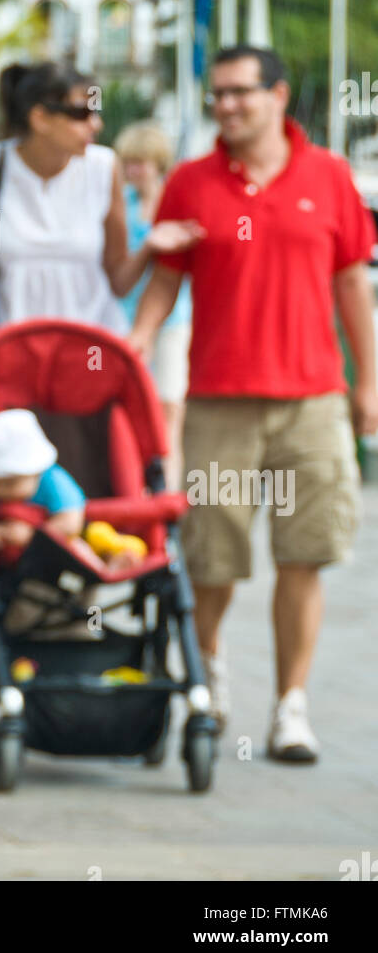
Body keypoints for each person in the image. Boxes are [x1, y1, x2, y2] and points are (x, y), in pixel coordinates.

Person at [130, 44, 378, 762]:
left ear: (276, 96)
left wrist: (368, 383)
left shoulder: (329, 177)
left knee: (304, 556)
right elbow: (163, 281)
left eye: (240, 92)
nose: (226, 106)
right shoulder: (190, 181)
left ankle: (289, 710)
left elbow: (352, 288)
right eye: (218, 95)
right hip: (218, 405)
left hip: (311, 404)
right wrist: (135, 344)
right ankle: (211, 686)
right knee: (211, 562)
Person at [0, 62, 203, 333]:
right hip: (12, 352)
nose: (96, 124)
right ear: (40, 118)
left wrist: (149, 247)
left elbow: (119, 282)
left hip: (90, 351)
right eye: (81, 114)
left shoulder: (102, 166)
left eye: (95, 112)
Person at [114, 121, 192, 489]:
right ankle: (137, 485)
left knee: (170, 404)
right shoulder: (121, 205)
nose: (134, 170)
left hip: (174, 317)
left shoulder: (175, 201)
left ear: (157, 163)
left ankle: (169, 489)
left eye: (141, 162)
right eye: (129, 162)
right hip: (126, 315)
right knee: (131, 407)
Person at [0, 408, 85, 559]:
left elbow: (71, 523)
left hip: (48, 555)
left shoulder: (54, 481)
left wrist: (31, 534)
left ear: (35, 470)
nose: (0, 490)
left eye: (9, 483)